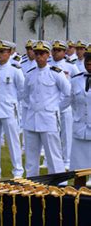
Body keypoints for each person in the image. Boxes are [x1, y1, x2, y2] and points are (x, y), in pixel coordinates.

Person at [22, 40, 71, 177]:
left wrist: (55, 108)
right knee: (31, 157)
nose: (39, 56)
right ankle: (32, 183)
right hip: (32, 119)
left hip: (49, 119)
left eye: (42, 53)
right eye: (36, 53)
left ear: (48, 54)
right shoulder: (30, 73)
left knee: (53, 155)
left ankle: (59, 184)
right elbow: (25, 95)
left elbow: (68, 94)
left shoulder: (56, 72)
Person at [0, 40, 25, 179]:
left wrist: (12, 101)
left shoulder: (15, 69)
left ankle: (18, 171)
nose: (0, 54)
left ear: (10, 53)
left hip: (8, 109)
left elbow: (22, 90)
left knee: (13, 141)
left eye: (3, 51)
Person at [49, 40, 80, 170]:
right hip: (51, 105)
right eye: (54, 50)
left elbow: (78, 81)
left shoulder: (70, 66)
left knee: (66, 135)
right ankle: (49, 159)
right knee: (51, 134)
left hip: (66, 105)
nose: (56, 52)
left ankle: (67, 160)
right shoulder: (48, 65)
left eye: (59, 50)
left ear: (64, 52)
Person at [69, 45, 91, 187]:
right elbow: (72, 101)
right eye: (87, 62)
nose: (89, 65)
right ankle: (77, 201)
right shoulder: (76, 80)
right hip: (80, 131)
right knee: (78, 172)